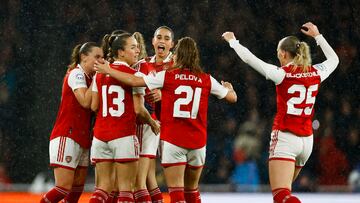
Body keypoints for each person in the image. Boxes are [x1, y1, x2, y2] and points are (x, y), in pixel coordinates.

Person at [94, 36, 237, 203]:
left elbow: (134, 80)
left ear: (177, 55)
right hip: (197, 141)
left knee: (176, 193)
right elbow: (232, 98)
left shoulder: (167, 76)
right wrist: (230, 89)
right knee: (192, 190)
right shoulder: (206, 79)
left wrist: (109, 70)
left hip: (173, 141)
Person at [222, 22, 339, 203]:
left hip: (286, 138)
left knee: (281, 196)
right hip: (307, 142)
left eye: (278, 52)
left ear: (283, 53)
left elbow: (249, 59)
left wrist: (233, 42)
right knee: (284, 196)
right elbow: (334, 60)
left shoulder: (282, 74)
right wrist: (318, 36)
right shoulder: (316, 72)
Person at [89, 32, 160, 203]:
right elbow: (138, 109)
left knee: (102, 188)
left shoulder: (99, 73)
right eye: (133, 47)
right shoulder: (135, 75)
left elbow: (93, 106)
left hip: (100, 135)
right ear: (121, 52)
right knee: (127, 190)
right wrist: (152, 122)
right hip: (123, 135)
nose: (137, 51)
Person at [40, 42, 103, 203]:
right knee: (63, 188)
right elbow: (84, 101)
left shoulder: (90, 78)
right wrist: (98, 78)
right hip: (67, 135)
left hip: (82, 137)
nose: (101, 61)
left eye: (102, 57)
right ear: (83, 57)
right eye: (97, 57)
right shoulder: (77, 74)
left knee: (76, 190)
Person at [132, 26, 175, 203]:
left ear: (172, 44)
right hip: (150, 123)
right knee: (149, 180)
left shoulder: (178, 65)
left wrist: (164, 95)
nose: (162, 41)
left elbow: (189, 90)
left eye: (166, 38)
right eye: (159, 37)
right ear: (153, 41)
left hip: (171, 127)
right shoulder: (144, 63)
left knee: (174, 180)